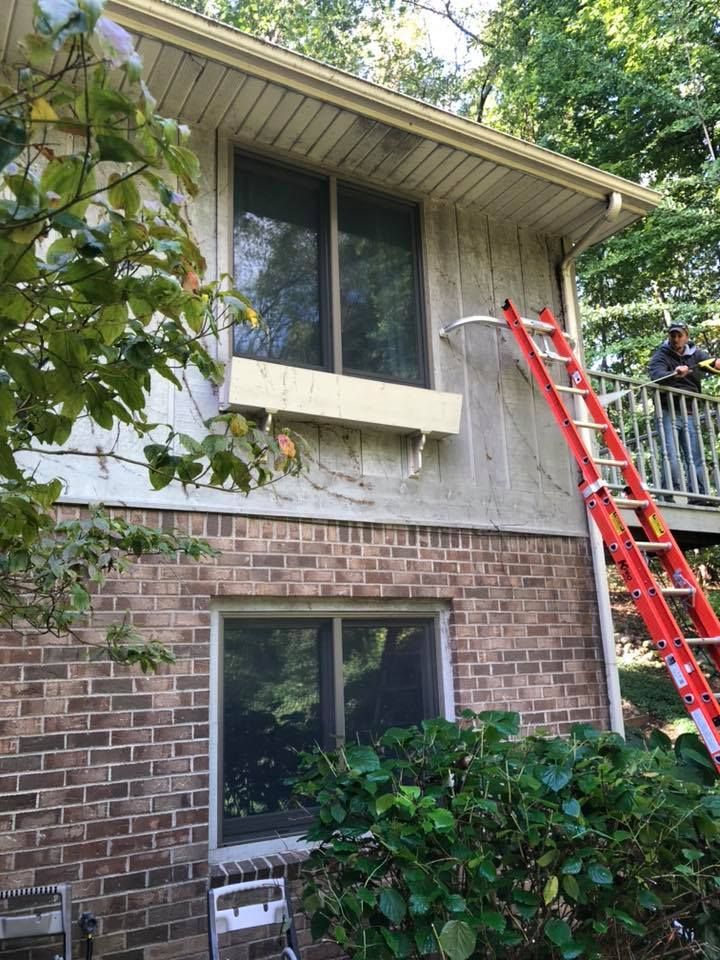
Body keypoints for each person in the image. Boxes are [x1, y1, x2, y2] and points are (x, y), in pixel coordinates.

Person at [648, 321, 720, 503]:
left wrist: (717, 363)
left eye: (679, 335)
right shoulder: (660, 356)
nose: (676, 339)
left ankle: (700, 497)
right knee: (670, 456)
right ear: (669, 337)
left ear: (686, 336)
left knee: (695, 457)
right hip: (667, 412)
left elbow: (711, 362)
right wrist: (674, 372)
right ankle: (667, 495)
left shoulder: (696, 354)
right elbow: (656, 375)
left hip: (690, 413)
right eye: (673, 335)